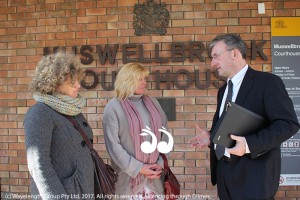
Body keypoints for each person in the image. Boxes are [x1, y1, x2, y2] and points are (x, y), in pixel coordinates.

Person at [190, 33, 300, 200]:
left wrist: (249, 144)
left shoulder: (267, 82)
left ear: (234, 53)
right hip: (224, 176)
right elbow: (230, 127)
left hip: (254, 178)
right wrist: (211, 137)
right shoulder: (223, 91)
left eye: (216, 56)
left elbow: (287, 124)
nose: (212, 63)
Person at [24, 52, 96, 200]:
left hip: (84, 189)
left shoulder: (72, 109)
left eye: (78, 80)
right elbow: (39, 165)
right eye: (72, 82)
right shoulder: (39, 113)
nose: (78, 85)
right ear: (55, 83)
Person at [103, 63, 168, 200]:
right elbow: (113, 147)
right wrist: (139, 168)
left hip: (154, 181)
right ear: (127, 80)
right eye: (140, 79)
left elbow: (165, 133)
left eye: (145, 79)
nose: (144, 83)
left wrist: (160, 163)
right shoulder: (113, 107)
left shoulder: (153, 103)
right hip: (128, 183)